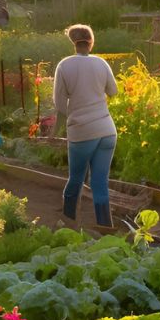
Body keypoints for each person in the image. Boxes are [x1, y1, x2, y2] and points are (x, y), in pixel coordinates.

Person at [52, 24, 118, 228]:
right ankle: (105, 227)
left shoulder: (64, 65)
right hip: (107, 131)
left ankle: (69, 223)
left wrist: (61, 126)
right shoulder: (101, 63)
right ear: (91, 42)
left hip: (82, 132)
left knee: (76, 180)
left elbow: (60, 104)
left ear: (73, 43)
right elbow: (113, 91)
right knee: (100, 183)